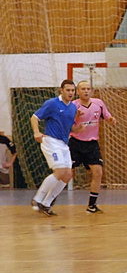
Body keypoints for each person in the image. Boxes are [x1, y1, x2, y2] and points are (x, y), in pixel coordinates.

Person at [30, 80, 80, 215]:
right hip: (51, 141)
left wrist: (79, 128)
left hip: (64, 144)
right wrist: (36, 132)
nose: (70, 93)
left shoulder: (73, 108)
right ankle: (37, 199)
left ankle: (46, 204)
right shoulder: (52, 103)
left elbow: (71, 128)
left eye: (72, 90)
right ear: (61, 90)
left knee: (68, 174)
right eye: (68, 90)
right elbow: (34, 117)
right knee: (60, 171)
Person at [69, 80, 117, 213]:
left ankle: (92, 205)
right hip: (76, 143)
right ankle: (47, 201)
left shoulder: (98, 103)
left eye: (88, 88)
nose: (86, 91)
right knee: (66, 175)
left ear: (92, 91)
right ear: (77, 92)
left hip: (92, 144)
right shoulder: (73, 106)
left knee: (98, 172)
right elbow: (66, 124)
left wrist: (111, 119)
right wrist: (75, 118)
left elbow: (107, 116)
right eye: (82, 89)